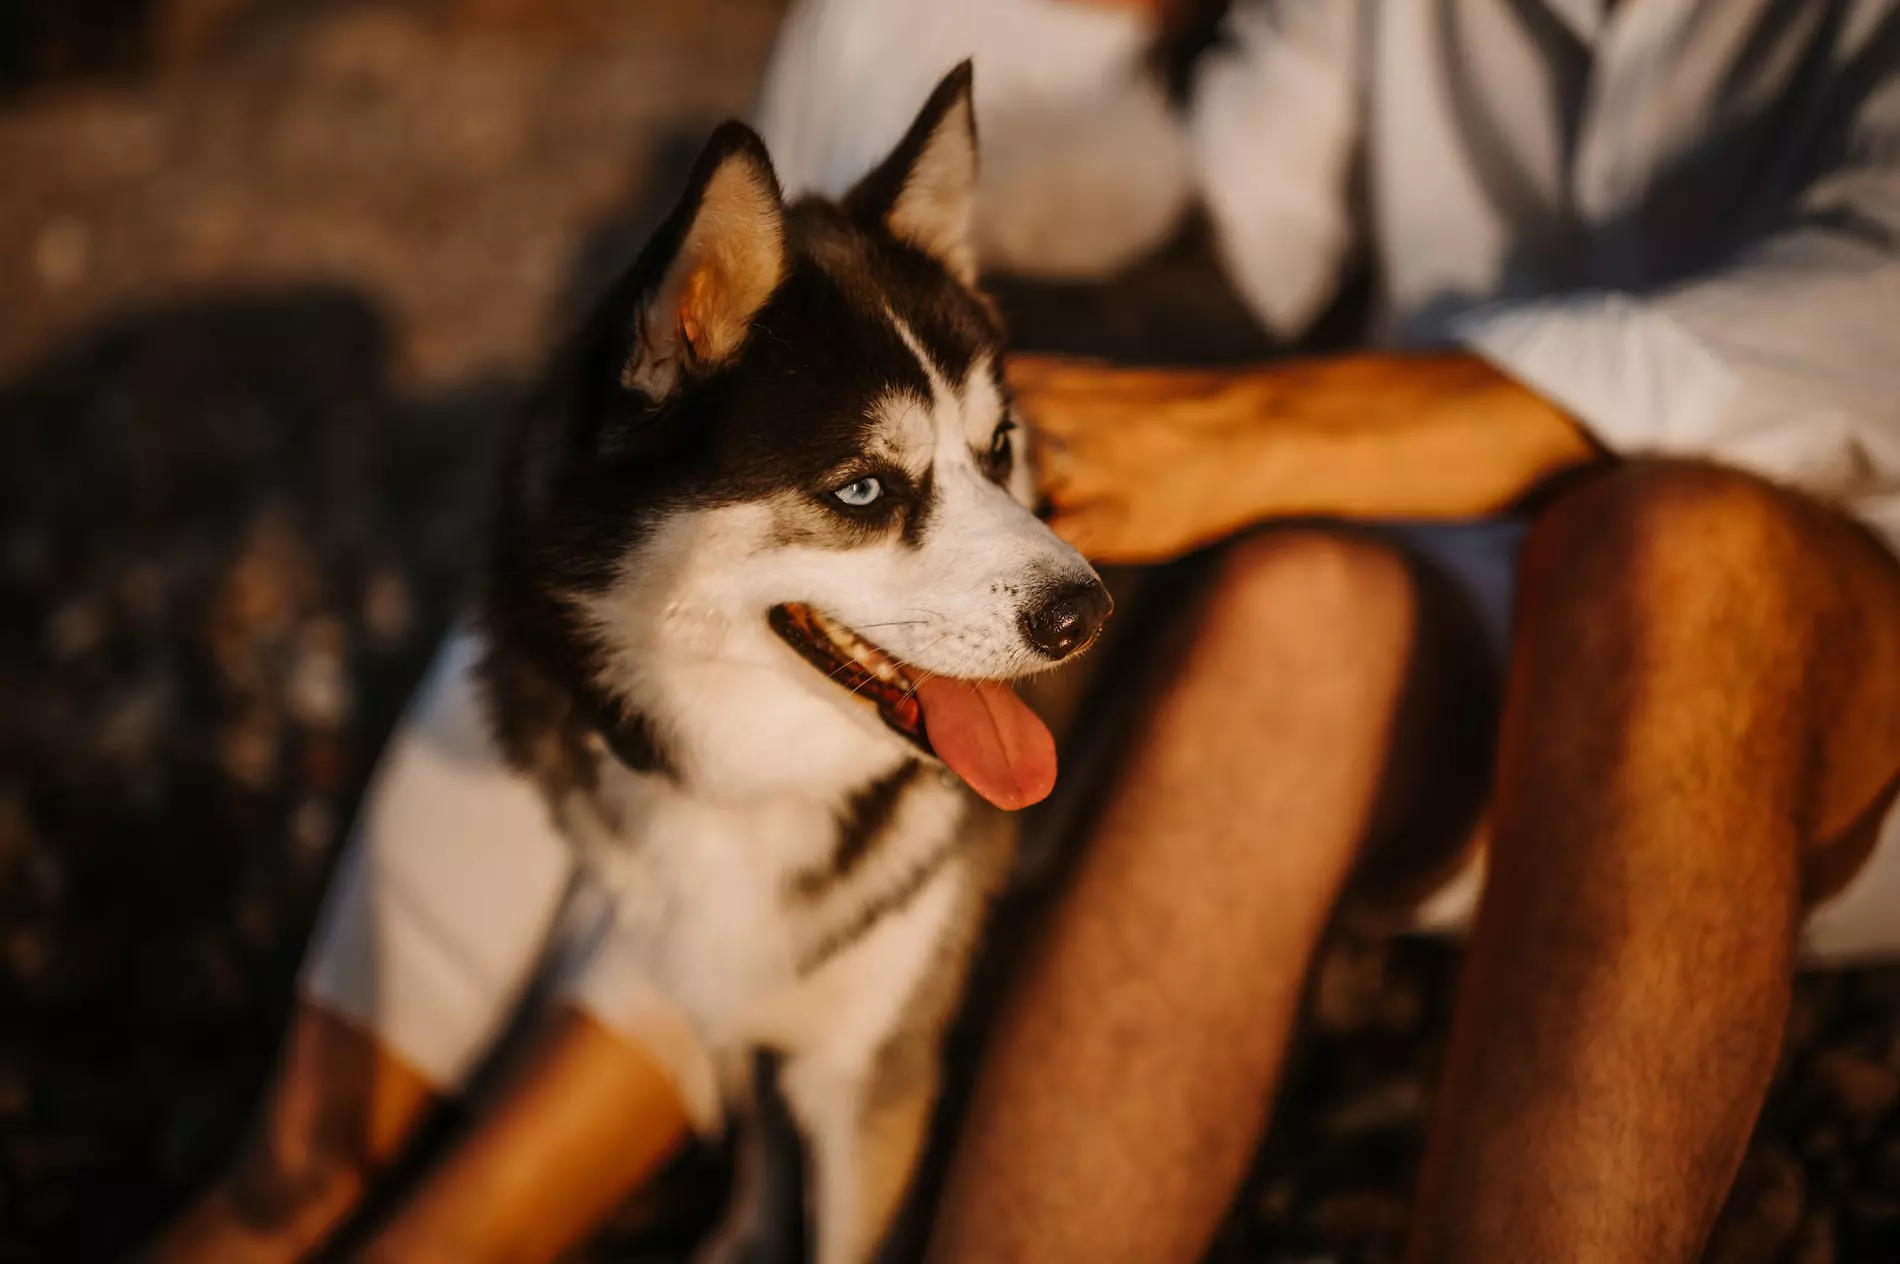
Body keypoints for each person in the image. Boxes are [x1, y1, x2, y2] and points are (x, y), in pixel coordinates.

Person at [145, 0, 1900, 1261]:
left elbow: (1863, 319)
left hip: (1822, 618)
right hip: (1436, 590)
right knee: (1294, 600)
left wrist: (1263, 436)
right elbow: (1243, 230)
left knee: (1675, 552)